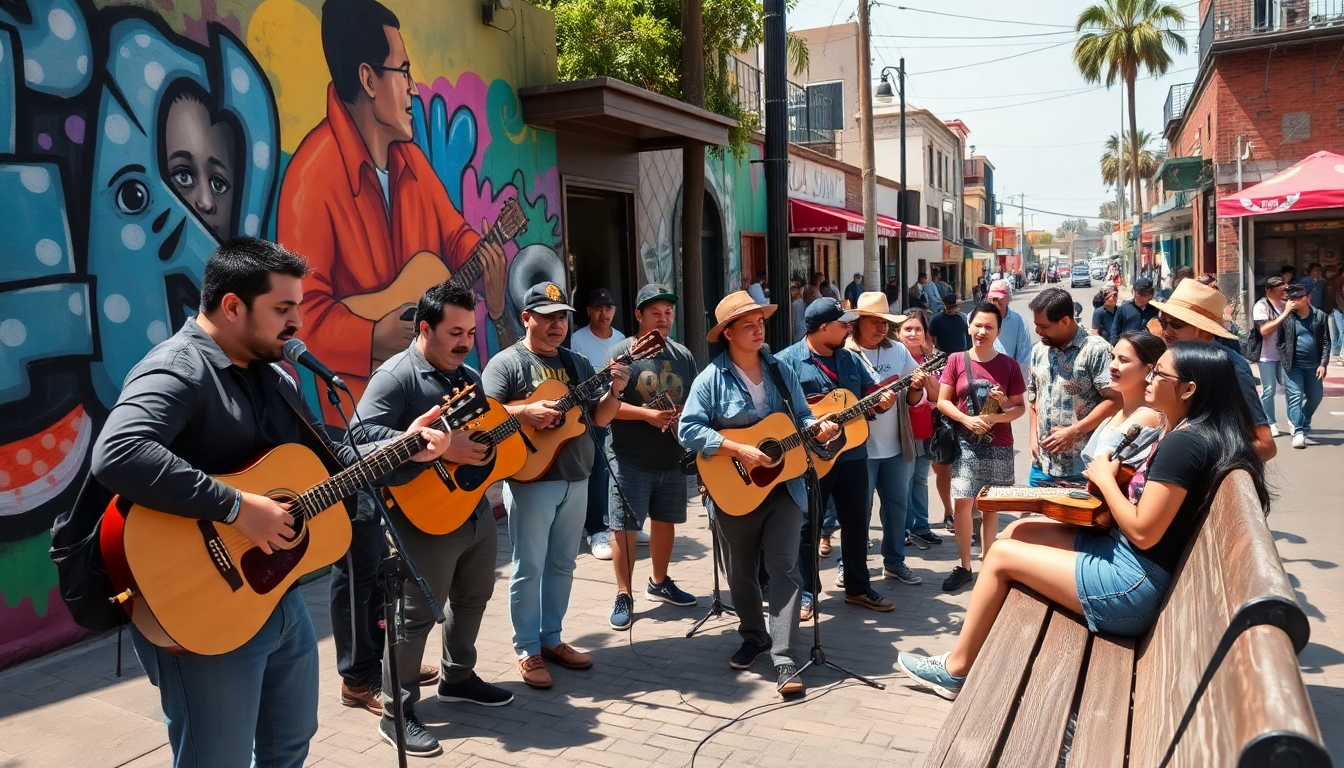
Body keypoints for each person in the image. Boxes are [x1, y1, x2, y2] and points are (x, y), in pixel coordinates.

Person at [89, 238, 450, 766]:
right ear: (233, 306)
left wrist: (404, 446)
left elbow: (332, 460)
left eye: (298, 307)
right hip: (202, 606)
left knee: (291, 741)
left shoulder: (274, 376)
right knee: (218, 758)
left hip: (275, 598)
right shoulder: (178, 369)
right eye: (282, 308)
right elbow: (118, 452)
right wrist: (237, 508)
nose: (297, 322)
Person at [280, 0, 509, 705]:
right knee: (359, 555)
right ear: (364, 76)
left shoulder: (409, 161)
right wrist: (390, 331)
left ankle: (408, 669)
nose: (411, 84)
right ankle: (358, 678)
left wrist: (482, 255)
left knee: (404, 560)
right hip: (340, 420)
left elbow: (453, 238)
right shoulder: (314, 174)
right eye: (403, 70)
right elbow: (305, 321)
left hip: (412, 425)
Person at [898, 341, 1269, 701]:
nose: (1151, 379)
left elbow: (1142, 531)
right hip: (1128, 559)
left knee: (999, 556)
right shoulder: (1187, 431)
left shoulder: (1184, 443)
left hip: (1130, 584)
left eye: (1160, 374)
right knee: (1021, 530)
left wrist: (1107, 481)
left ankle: (956, 669)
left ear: (1189, 389)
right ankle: (981, 649)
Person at [354, 281, 512, 756]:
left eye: (470, 331)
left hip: (471, 509)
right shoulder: (395, 377)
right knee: (416, 616)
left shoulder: (466, 374)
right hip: (420, 517)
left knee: (474, 596)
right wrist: (435, 448)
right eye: (454, 332)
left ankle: (458, 678)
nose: (465, 342)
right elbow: (358, 446)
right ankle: (397, 713)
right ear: (425, 328)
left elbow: (480, 435)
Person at [678, 291, 840, 698]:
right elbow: (688, 430)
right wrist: (735, 448)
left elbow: (800, 415)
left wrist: (817, 427)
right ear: (727, 333)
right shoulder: (710, 379)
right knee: (741, 571)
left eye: (761, 322)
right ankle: (754, 635)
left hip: (784, 485)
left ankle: (784, 654)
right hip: (732, 489)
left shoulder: (780, 370)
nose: (758, 329)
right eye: (748, 324)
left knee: (785, 566)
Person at [481, 282, 630, 689]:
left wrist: (615, 388)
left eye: (562, 316)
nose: (557, 324)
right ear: (526, 318)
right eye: (547, 317)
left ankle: (552, 639)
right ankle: (526, 649)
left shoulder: (579, 364)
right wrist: (525, 411)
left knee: (564, 564)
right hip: (532, 480)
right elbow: (483, 418)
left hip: (577, 476)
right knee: (529, 568)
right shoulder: (506, 364)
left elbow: (599, 419)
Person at [777, 297, 897, 617]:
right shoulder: (786, 362)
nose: (849, 328)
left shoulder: (850, 360)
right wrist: (809, 427)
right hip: (810, 458)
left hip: (853, 454)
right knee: (807, 526)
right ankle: (805, 593)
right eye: (842, 324)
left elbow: (870, 395)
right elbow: (773, 414)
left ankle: (858, 588)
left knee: (857, 523)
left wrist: (880, 400)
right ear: (822, 328)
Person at [605, 284, 700, 631]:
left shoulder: (683, 354)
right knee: (625, 528)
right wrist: (648, 415)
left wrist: (680, 414)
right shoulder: (622, 352)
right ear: (639, 315)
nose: (663, 319)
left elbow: (694, 399)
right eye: (655, 313)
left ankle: (659, 582)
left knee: (665, 522)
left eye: (668, 313)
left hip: (672, 457)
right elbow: (606, 407)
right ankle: (624, 594)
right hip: (630, 458)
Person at [935, 304, 1026, 592]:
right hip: (965, 442)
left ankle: (988, 564)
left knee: (990, 507)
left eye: (989, 327)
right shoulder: (956, 360)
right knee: (962, 503)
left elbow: (1019, 408)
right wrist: (967, 420)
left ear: (998, 331)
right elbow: (942, 401)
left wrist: (998, 411)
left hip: (998, 444)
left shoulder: (1009, 365)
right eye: (978, 325)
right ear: (969, 327)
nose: (982, 331)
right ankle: (964, 566)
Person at [846, 293, 929, 586]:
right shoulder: (845, 353)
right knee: (857, 512)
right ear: (857, 323)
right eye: (873, 322)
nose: (880, 328)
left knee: (897, 507)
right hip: (857, 450)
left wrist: (917, 387)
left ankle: (894, 562)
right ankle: (849, 564)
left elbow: (914, 398)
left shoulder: (898, 350)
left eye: (884, 322)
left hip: (896, 447)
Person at [1151, 280, 1277, 462]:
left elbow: (1265, 446)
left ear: (1204, 331)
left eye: (1176, 324)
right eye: (1163, 323)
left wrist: (1198, 457)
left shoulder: (1231, 368)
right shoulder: (1169, 359)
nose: (1166, 331)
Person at [1026, 288, 1121, 488]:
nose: (1038, 331)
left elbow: (1116, 400)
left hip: (1082, 468)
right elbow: (1034, 397)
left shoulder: (1096, 350)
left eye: (1043, 326)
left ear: (1065, 320)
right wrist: (1032, 435)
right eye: (1036, 325)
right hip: (1041, 466)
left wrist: (1074, 431)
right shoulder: (1038, 350)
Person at [568, 288, 628, 561]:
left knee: (623, 466)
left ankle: (625, 523)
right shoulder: (577, 339)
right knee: (597, 470)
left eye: (609, 307)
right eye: (598, 307)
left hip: (618, 407)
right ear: (589, 311)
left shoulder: (621, 340)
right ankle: (595, 529)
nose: (604, 313)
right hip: (590, 412)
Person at [1080, 331, 1168, 466]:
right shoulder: (1120, 413)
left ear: (1149, 370)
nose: (1112, 365)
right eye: (1113, 357)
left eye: (1123, 360)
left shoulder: (1147, 417)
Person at [895, 310, 945, 550]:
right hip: (901, 432)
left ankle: (921, 527)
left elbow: (938, 397)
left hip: (926, 429)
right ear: (898, 333)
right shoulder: (894, 360)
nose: (913, 334)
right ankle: (902, 528)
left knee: (920, 479)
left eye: (918, 329)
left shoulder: (931, 362)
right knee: (903, 481)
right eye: (908, 329)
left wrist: (928, 380)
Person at [1275, 282, 1330, 449]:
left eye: (1297, 298)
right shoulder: (1288, 317)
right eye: (1291, 298)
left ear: (1308, 298)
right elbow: (1280, 341)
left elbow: (1326, 342)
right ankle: (1298, 431)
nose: (1293, 301)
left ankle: (1301, 421)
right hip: (1293, 365)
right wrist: (1285, 358)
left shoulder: (1320, 316)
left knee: (1315, 396)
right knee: (1296, 396)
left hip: (1314, 365)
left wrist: (1323, 364)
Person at [1251, 277, 1290, 437]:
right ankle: (1270, 422)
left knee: (1291, 388)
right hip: (1266, 354)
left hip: (1285, 353)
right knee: (1269, 389)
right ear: (1268, 289)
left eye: (1285, 289)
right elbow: (1264, 330)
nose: (1284, 292)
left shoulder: (1286, 304)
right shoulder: (1261, 305)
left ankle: (1294, 421)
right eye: (1280, 289)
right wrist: (1285, 314)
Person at [987, 280, 1031, 380]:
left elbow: (1024, 357)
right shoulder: (979, 317)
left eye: (1000, 298)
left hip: (1008, 379)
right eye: (993, 298)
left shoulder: (1018, 321)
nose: (996, 301)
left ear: (1008, 298)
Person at [1109, 278, 1158, 344]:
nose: (1144, 297)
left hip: (1148, 350)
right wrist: (1114, 347)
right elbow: (1115, 330)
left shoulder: (1155, 310)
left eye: (1148, 294)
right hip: (1128, 349)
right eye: (1141, 294)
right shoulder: (1123, 308)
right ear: (1134, 293)